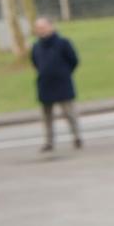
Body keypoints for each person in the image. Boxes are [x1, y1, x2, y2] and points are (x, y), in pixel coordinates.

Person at [31, 16, 82, 152]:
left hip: (62, 83)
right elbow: (35, 63)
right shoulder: (36, 46)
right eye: (38, 28)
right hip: (45, 85)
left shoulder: (63, 43)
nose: (40, 30)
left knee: (69, 113)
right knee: (47, 116)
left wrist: (64, 72)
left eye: (43, 27)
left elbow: (73, 60)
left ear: (50, 26)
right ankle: (49, 141)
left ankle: (76, 136)